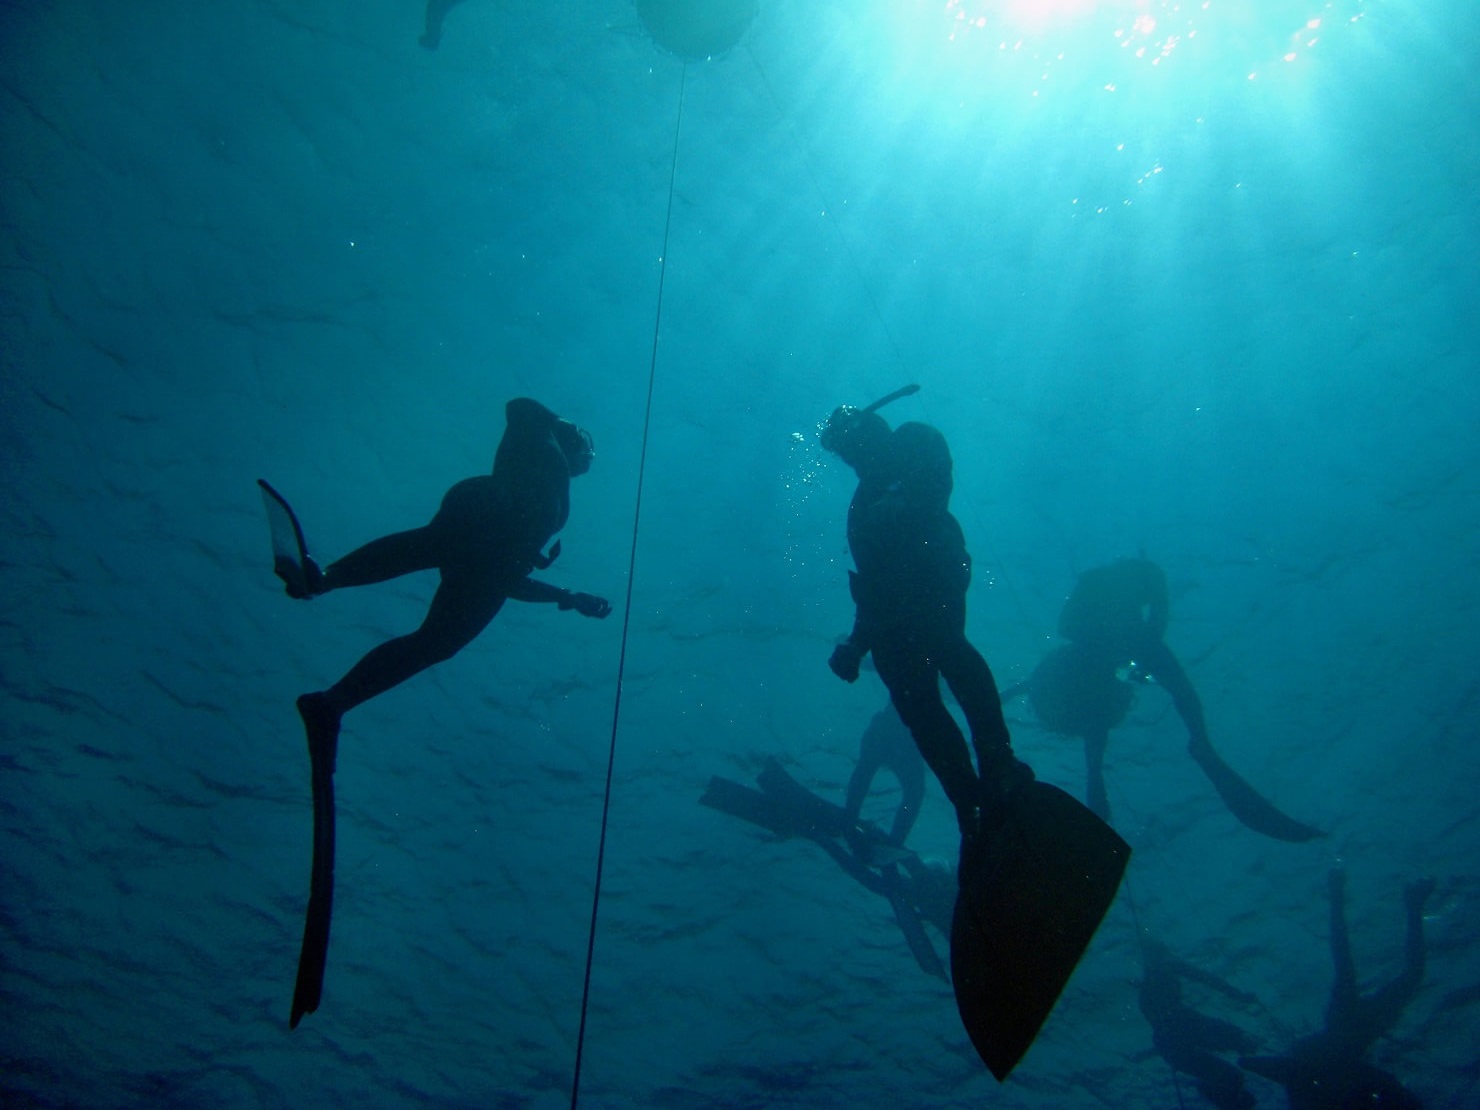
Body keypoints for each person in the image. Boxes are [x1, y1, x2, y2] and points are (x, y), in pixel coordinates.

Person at [289, 397, 612, 761]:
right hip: (488, 518)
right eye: (584, 448)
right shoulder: (541, 438)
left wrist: (566, 595)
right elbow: (519, 406)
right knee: (437, 548)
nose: (585, 456)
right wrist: (561, 424)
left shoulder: (551, 480)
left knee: (438, 640)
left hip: (495, 554)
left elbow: (505, 578)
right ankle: (326, 582)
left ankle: (332, 703)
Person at [819, 394, 1030, 842]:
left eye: (854, 449)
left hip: (935, 572)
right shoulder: (860, 509)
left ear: (872, 431)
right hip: (893, 608)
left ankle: (998, 763)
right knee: (909, 693)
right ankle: (966, 799)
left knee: (948, 648)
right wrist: (857, 645)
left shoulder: (914, 440)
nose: (854, 461)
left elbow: (939, 483)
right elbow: (870, 588)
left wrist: (907, 501)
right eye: (847, 456)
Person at [1005, 559, 1322, 841]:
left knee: (1103, 712)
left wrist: (1133, 651)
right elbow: (1151, 628)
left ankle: (1175, 753)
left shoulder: (1116, 590)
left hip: (1088, 669)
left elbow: (1142, 626)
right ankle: (1184, 750)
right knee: (1107, 711)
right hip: (1089, 669)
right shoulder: (1123, 591)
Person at [1240, 868, 1434, 1108]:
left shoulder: (1310, 1081)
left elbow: (1273, 1067)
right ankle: (1411, 906)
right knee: (1405, 973)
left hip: (1344, 1028)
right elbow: (1382, 1083)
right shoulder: (1343, 1081)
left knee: (1347, 964)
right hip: (1361, 1035)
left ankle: (1344, 895)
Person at [1139, 937, 1260, 1110]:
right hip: (1183, 1025)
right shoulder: (1166, 968)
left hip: (1167, 1044)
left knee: (1231, 1077)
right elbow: (1206, 978)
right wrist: (1238, 995)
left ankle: (1225, 1098)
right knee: (1241, 1051)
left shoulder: (1145, 986)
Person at [843, 701, 927, 850]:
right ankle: (893, 843)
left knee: (865, 774)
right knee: (914, 792)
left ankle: (851, 821)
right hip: (901, 734)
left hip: (893, 731)